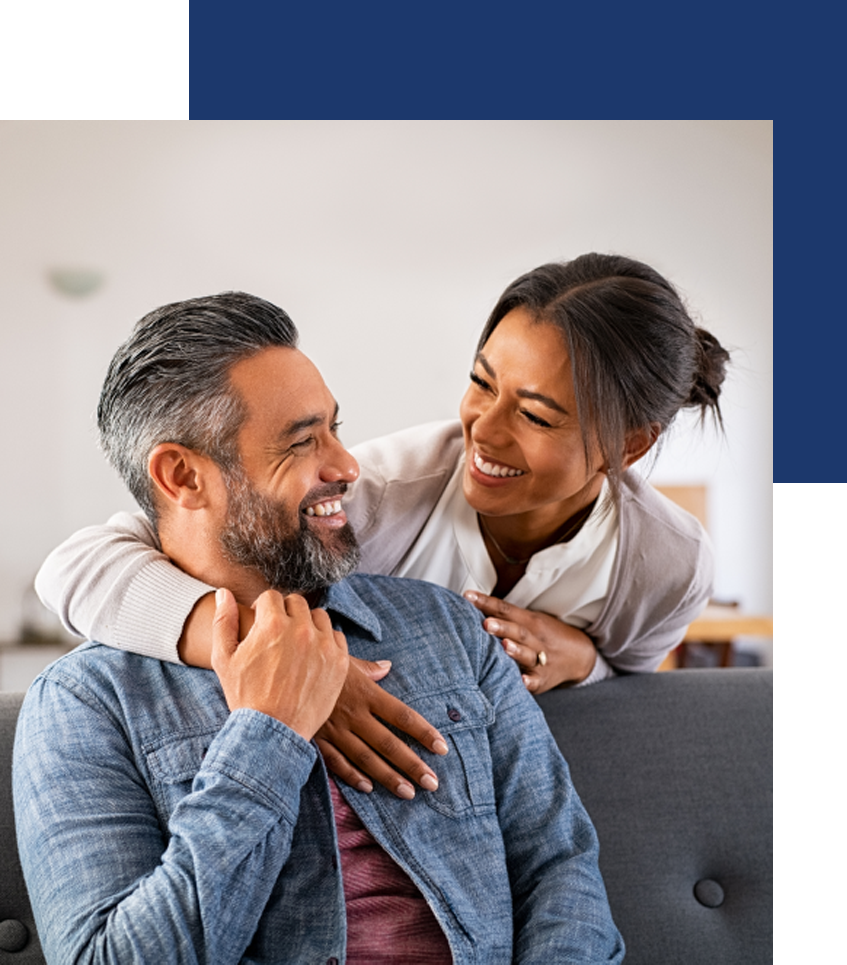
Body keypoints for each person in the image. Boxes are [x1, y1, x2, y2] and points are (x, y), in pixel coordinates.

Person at [14, 292, 624, 964]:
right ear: (182, 475)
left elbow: (560, 867)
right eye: (303, 441)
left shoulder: (447, 626)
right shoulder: (84, 703)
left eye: (335, 428)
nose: (347, 465)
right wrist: (265, 736)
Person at [35, 252, 729, 796]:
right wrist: (284, 659)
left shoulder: (665, 563)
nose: (481, 430)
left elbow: (633, 691)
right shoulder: (381, 492)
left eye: (536, 414)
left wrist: (586, 661)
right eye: (481, 382)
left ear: (628, 445)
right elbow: (75, 568)